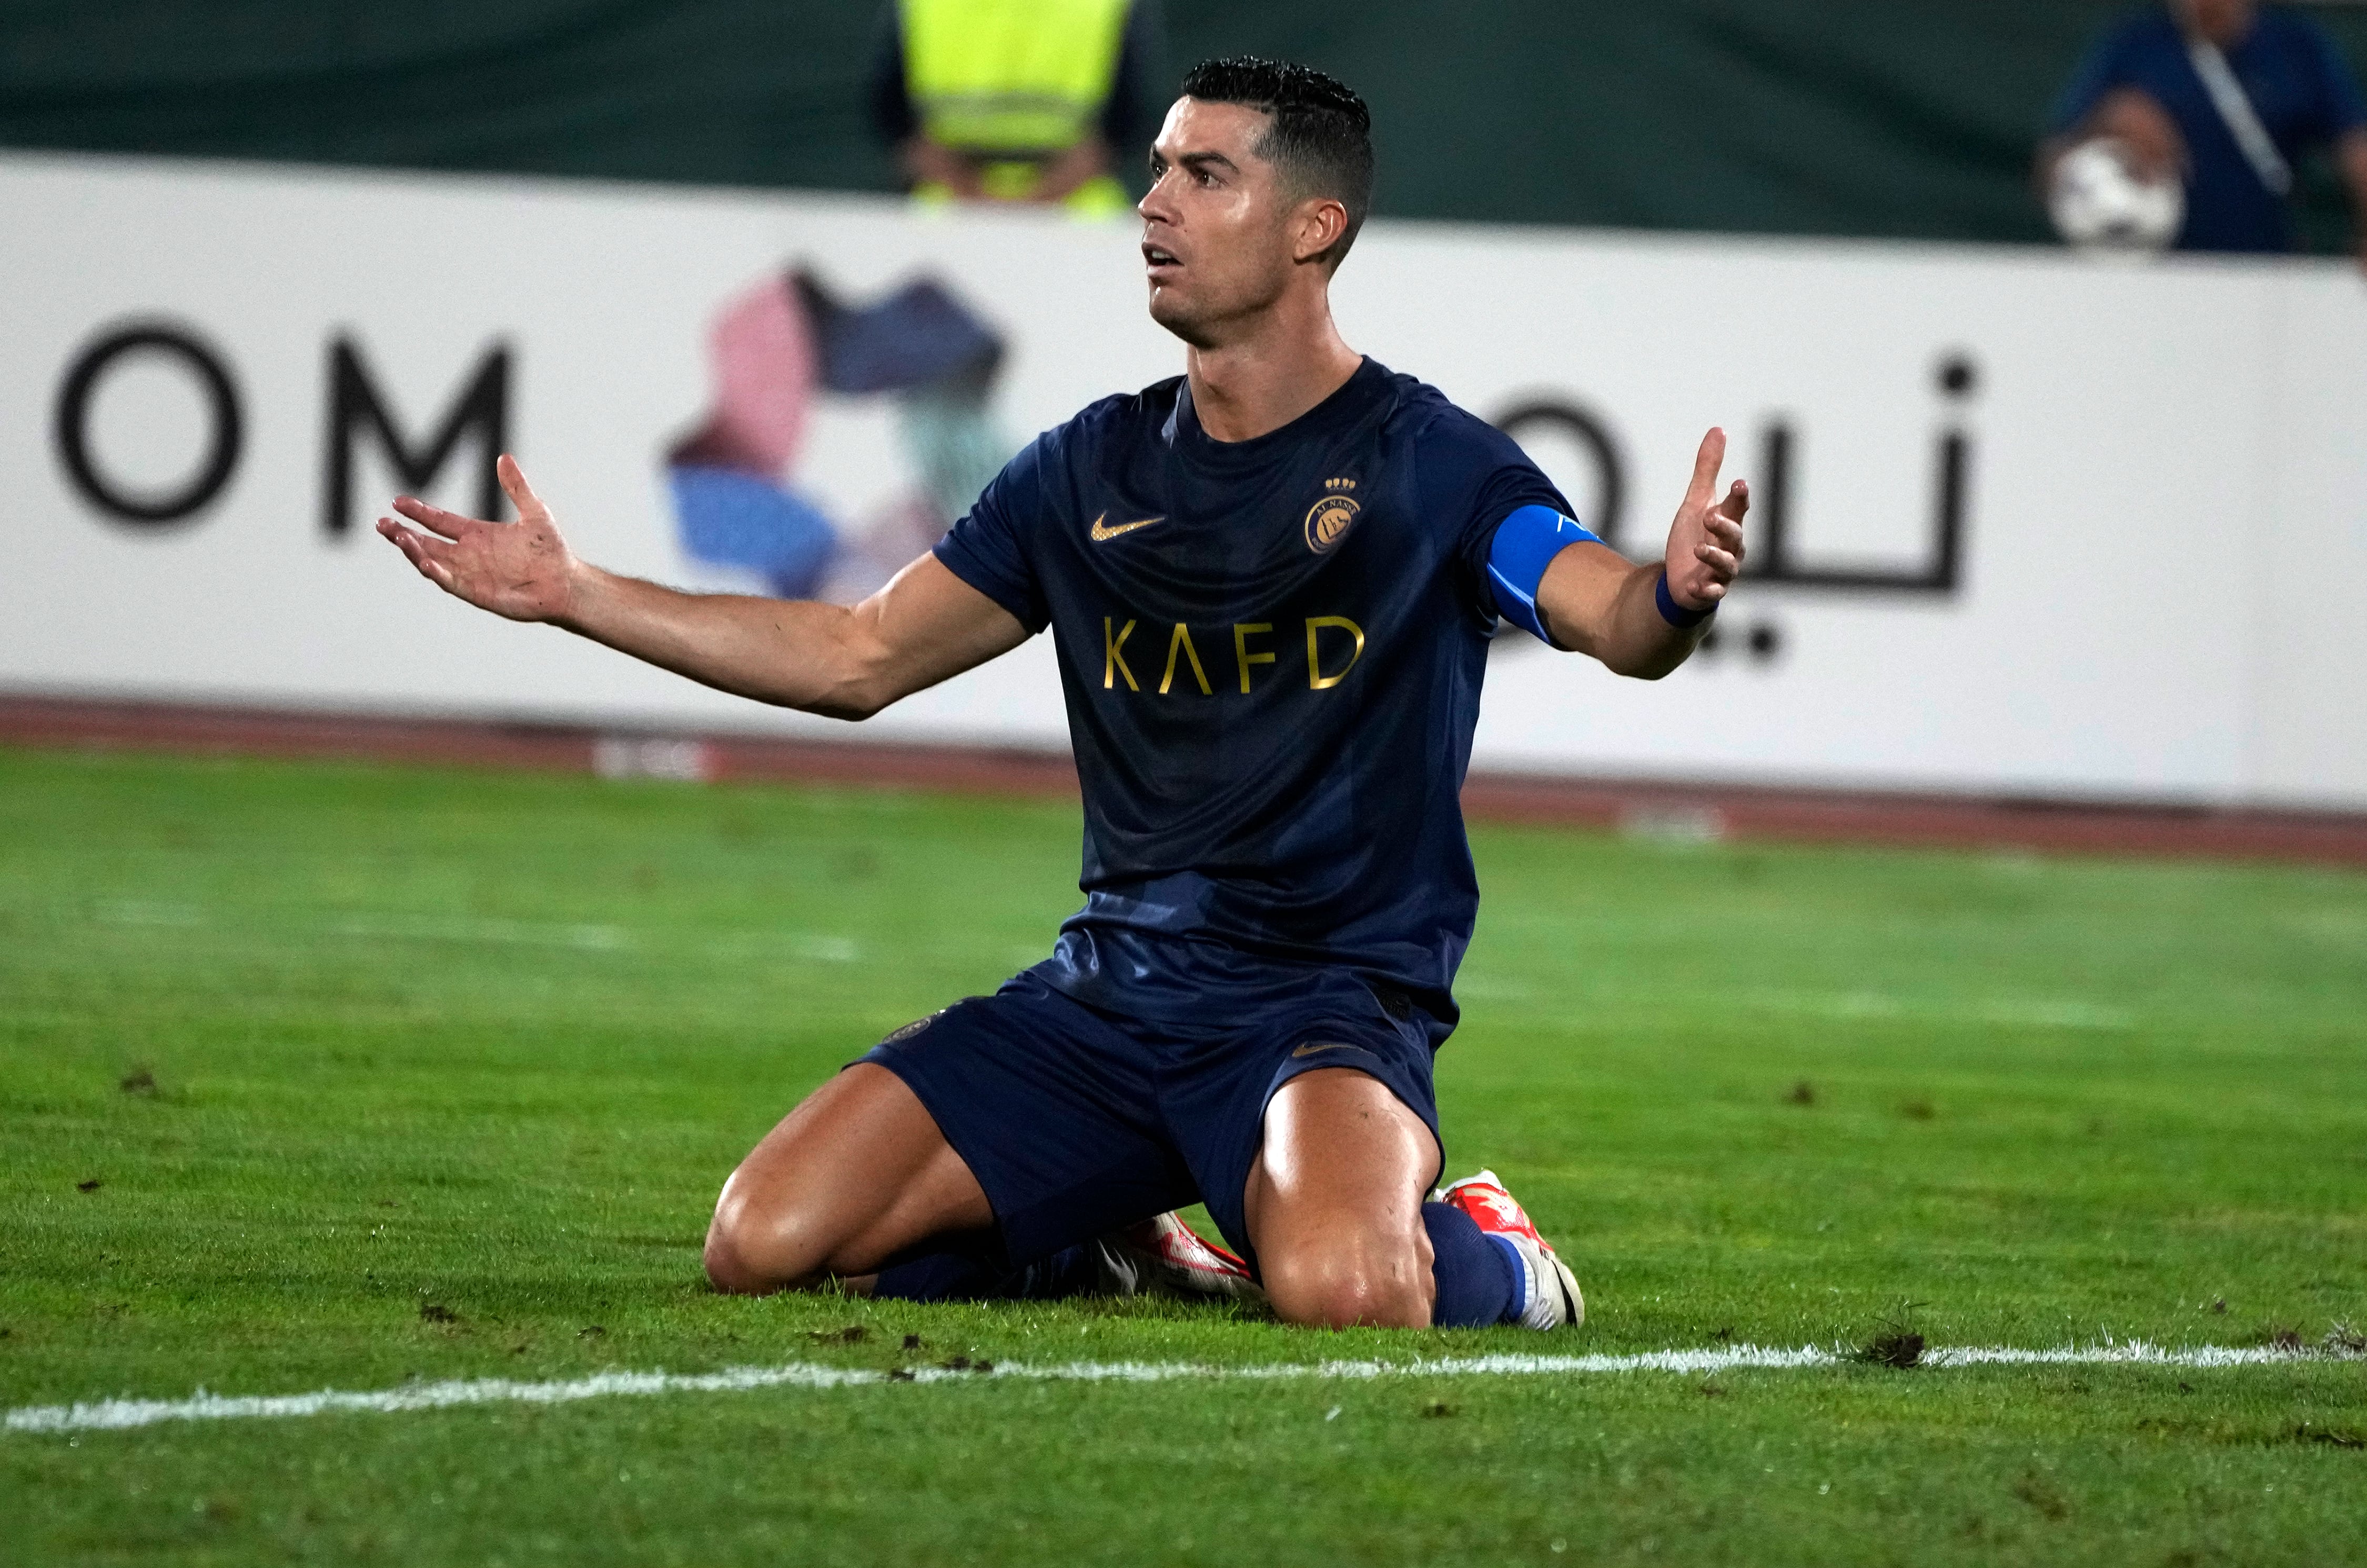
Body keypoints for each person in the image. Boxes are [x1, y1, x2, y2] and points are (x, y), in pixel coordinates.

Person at [378, 58, 1748, 1331]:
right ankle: (1100, 1226)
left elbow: (1605, 614)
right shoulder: (1085, 470)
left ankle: (1492, 1248)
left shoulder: (1432, 465)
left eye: (1203, 175)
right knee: (764, 1242)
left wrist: (1672, 593)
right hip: (1104, 998)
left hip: (1320, 1011)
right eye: (1156, 167)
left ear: (1311, 227)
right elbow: (857, 657)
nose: (1151, 202)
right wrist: (579, 593)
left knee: (1342, 1286)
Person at [2039, 0, 2367, 260]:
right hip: (2150, 272)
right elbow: (2049, 165)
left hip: (2265, 272)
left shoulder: (2298, 48)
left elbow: (2355, 147)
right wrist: (2107, 119)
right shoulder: (2133, 46)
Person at [868, 0, 1165, 216]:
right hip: (954, 209)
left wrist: (992, 206)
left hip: (1071, 212)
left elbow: (1123, 129)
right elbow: (896, 122)